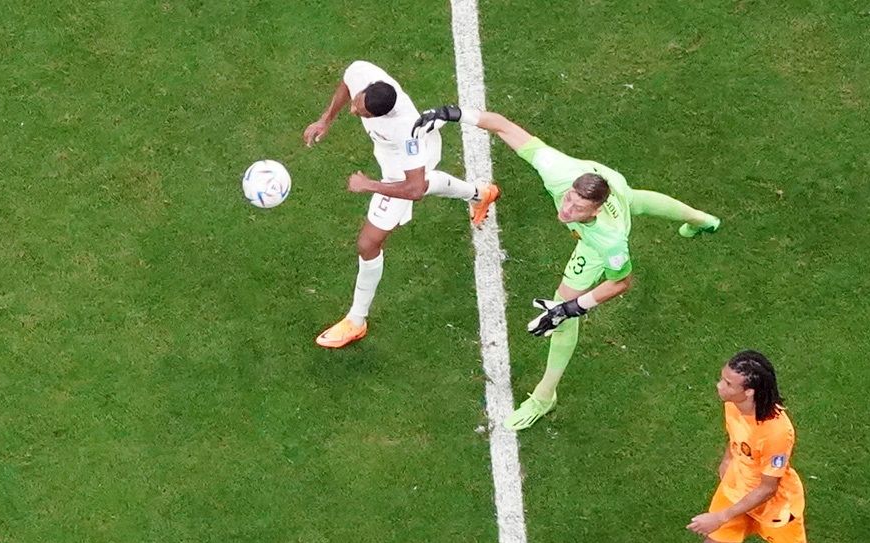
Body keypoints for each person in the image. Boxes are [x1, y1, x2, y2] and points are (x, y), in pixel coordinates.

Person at [412, 106, 721, 429]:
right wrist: (453, 114)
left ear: (597, 209)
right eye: (570, 198)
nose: (567, 209)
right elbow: (503, 126)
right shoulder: (558, 171)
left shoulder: (609, 241)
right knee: (632, 198)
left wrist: (573, 307)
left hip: (593, 242)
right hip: (608, 177)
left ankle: (545, 396)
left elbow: (621, 281)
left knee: (561, 310)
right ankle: (703, 220)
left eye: (578, 207)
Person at [640, 350, 835, 543]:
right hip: (736, 489)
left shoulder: (777, 433)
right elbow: (734, 438)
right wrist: (727, 459)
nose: (719, 386)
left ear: (750, 391)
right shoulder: (734, 406)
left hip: (774, 506)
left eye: (728, 383)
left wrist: (719, 516)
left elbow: (768, 488)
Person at [303, 62, 501, 349]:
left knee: (368, 243)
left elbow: (414, 188)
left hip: (405, 167)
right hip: (394, 157)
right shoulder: (364, 75)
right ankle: (479, 194)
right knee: (426, 181)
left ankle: (356, 321)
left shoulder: (405, 131)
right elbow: (348, 81)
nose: (354, 110)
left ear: (382, 114)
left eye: (362, 112)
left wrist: (369, 185)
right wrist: (325, 120)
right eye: (358, 104)